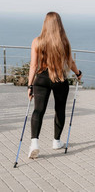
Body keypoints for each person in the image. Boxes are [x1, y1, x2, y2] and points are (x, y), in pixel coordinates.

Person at [27, 12, 82, 159]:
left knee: (38, 110)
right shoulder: (64, 42)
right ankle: (56, 141)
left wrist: (30, 85)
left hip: (41, 79)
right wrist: (78, 73)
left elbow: (33, 66)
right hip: (59, 79)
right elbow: (70, 63)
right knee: (59, 109)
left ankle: (34, 143)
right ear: (59, 24)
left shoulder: (37, 41)